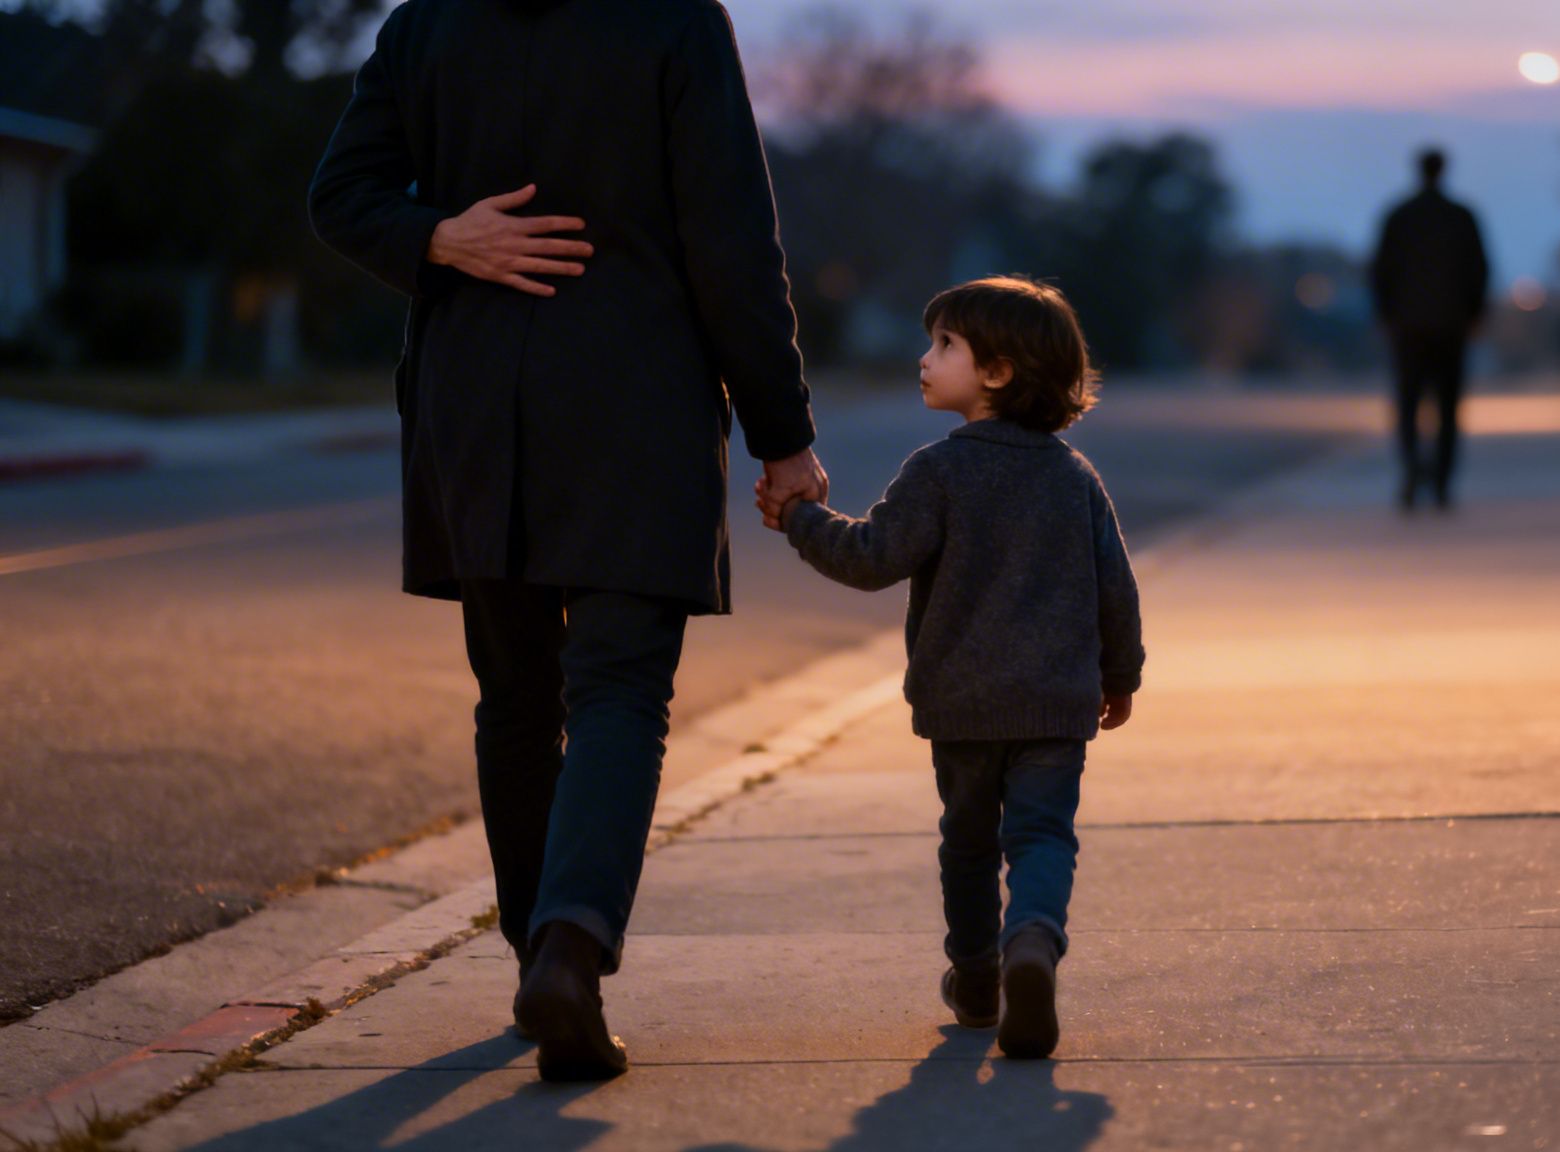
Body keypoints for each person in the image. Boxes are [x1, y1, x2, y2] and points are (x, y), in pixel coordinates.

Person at [308, 0, 827, 1081]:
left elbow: (343, 198)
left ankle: (534, 963)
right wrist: (782, 435)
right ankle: (568, 953)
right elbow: (729, 236)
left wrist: (434, 236)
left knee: (515, 699)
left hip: (474, 409)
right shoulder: (673, 21)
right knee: (618, 693)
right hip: (633, 404)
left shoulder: (429, 24)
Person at [756, 277, 1144, 1060]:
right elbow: (1116, 591)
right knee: (1042, 837)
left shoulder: (937, 470)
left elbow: (871, 559)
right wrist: (1120, 676)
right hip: (1055, 707)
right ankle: (1032, 940)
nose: (924, 359)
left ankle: (977, 981)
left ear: (996, 372)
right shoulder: (1076, 479)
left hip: (963, 706)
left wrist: (799, 517)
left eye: (944, 346)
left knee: (968, 845)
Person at [1369, 147, 1491, 510]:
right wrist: (1473, 315)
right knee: (1448, 407)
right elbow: (1479, 270)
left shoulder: (1399, 216)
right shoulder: (1461, 216)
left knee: (1408, 405)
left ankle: (1411, 473)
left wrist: (1386, 315)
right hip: (1450, 327)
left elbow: (1380, 271)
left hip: (1409, 328)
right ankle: (1440, 482)